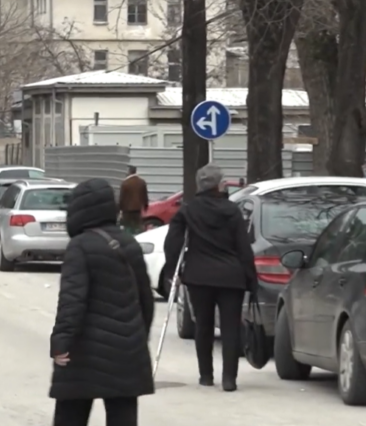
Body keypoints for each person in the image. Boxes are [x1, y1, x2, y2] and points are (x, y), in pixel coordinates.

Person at [49, 178, 155, 426]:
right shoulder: (129, 243)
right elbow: (145, 299)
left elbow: (72, 301)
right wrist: (138, 337)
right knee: (122, 415)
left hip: (83, 352)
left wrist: (60, 341)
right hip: (127, 349)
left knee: (71, 412)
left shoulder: (79, 246)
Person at [163, 163, 257, 392]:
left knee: (203, 325)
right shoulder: (232, 210)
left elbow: (172, 243)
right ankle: (229, 379)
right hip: (231, 276)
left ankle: (205, 375)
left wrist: (172, 271)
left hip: (199, 276)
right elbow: (243, 248)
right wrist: (251, 279)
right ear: (217, 185)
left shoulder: (188, 210)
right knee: (230, 327)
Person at [118, 165, 149, 235]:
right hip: (138, 209)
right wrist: (145, 206)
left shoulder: (125, 183)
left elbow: (122, 197)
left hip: (127, 210)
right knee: (138, 226)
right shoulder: (141, 182)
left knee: (127, 227)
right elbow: (145, 195)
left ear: (129, 171)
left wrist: (120, 209)